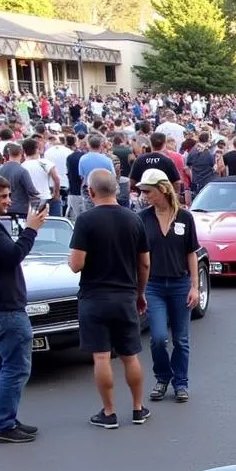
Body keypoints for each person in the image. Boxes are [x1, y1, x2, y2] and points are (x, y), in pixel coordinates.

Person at [68, 169, 151, 429]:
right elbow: (145, 263)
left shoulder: (85, 220)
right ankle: (138, 408)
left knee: (102, 357)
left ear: (90, 192)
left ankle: (109, 411)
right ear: (117, 189)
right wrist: (139, 293)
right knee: (130, 355)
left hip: (94, 296)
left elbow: (76, 264)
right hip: (125, 295)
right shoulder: (134, 219)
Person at [0, 172, 47, 442]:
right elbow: (12, 255)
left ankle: (3, 417)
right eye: (2, 197)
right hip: (5, 307)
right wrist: (31, 229)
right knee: (16, 367)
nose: (8, 201)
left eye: (9, 195)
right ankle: (2, 424)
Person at [137, 169, 200, 404]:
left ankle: (181, 382)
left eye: (148, 191)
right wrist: (138, 288)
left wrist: (195, 286)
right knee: (158, 338)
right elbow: (137, 256)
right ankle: (162, 377)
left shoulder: (184, 217)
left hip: (179, 283)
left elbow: (191, 253)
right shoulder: (142, 218)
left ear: (162, 190)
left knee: (181, 338)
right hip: (153, 285)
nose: (144, 196)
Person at [0, 143, 40, 216]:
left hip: (3, 209)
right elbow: (32, 191)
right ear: (22, 154)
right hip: (20, 211)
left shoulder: (1, 170)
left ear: (9, 154)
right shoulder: (22, 171)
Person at [22, 138, 61, 215]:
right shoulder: (45, 163)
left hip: (30, 200)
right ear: (37, 149)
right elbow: (56, 179)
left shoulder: (22, 166)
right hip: (45, 196)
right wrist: (56, 194)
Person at [185, 132, 217, 197]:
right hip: (207, 181)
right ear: (208, 140)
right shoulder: (209, 153)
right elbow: (214, 166)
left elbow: (188, 165)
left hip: (196, 181)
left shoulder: (192, 151)